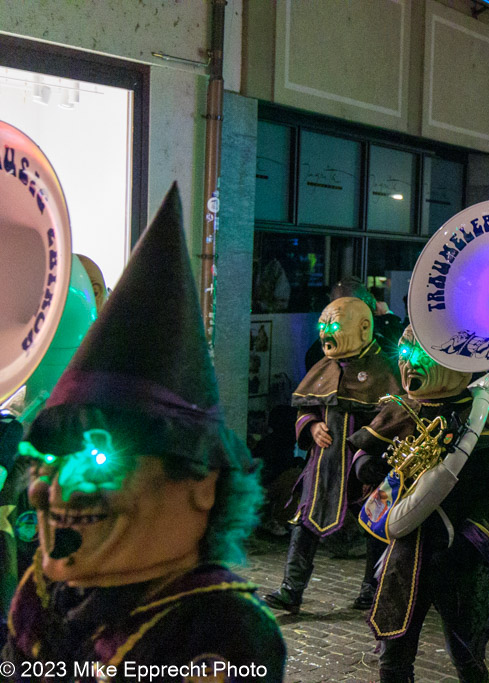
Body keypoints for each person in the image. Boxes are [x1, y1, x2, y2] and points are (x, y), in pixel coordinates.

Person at [3, 185, 285, 678]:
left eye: (98, 459)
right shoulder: (42, 595)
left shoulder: (220, 630)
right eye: (49, 460)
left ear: (200, 481)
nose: (54, 490)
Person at [349, 325, 489, 683]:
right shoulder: (402, 408)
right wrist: (363, 465)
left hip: (460, 562)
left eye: (424, 358)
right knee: (394, 655)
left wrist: (473, 541)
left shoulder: (488, 421)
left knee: (466, 655)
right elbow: (364, 445)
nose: (410, 367)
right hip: (404, 554)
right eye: (406, 358)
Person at [264, 295, 400, 613]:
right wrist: (311, 427)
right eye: (323, 324)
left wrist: (365, 441)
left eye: (335, 325)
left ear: (364, 328)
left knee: (375, 523)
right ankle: (291, 589)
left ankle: (372, 588)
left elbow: (393, 416)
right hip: (323, 465)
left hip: (364, 466)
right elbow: (306, 408)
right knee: (304, 521)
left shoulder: (383, 369)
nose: (326, 331)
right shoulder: (323, 367)